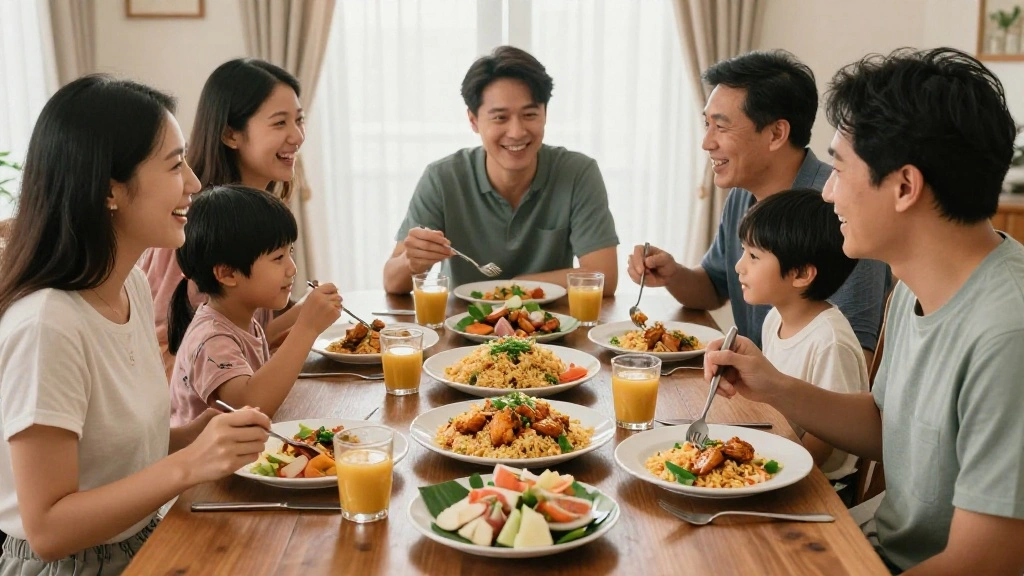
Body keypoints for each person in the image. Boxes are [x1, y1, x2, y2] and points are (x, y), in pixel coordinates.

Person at [704, 48, 1024, 574]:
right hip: (870, 540)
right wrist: (772, 385)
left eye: (839, 167)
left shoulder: (1005, 332)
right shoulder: (914, 286)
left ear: (904, 187)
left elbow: (984, 559)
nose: (827, 191)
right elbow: (885, 424)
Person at [0, 75, 270, 574]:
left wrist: (196, 435)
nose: (193, 182)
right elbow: (48, 529)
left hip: (148, 536)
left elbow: (110, 462)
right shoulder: (46, 327)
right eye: (175, 165)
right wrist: (187, 465)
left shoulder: (133, 287)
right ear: (109, 190)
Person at [626, 50, 889, 360]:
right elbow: (714, 286)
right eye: (707, 124)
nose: (706, 142)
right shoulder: (743, 194)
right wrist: (672, 274)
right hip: (753, 389)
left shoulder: (837, 210)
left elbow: (854, 358)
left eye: (721, 127)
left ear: (776, 133)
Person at [383, 45, 619, 294]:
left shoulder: (577, 173)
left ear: (545, 114)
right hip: (464, 327)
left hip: (551, 327)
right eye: (500, 118)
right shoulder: (442, 178)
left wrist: (513, 286)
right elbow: (392, 283)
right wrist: (412, 261)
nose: (517, 132)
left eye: (529, 114)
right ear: (473, 121)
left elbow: (603, 279)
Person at [139, 58, 308, 379]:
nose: (297, 136)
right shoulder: (195, 224)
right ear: (231, 134)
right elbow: (170, 353)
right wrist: (305, 321)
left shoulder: (260, 212)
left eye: (300, 120)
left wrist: (306, 315)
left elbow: (249, 336)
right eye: (279, 123)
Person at [167, 185, 341, 426]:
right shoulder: (210, 339)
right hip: (207, 462)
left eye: (289, 252)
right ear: (228, 274)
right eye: (278, 258)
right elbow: (251, 406)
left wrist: (305, 317)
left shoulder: (246, 323)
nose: (292, 268)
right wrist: (307, 327)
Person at [736, 189, 868, 494]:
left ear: (801, 273)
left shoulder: (830, 340)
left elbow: (826, 437)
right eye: (744, 251)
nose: (740, 266)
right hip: (781, 459)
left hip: (821, 484)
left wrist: (766, 476)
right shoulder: (774, 319)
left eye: (754, 256)